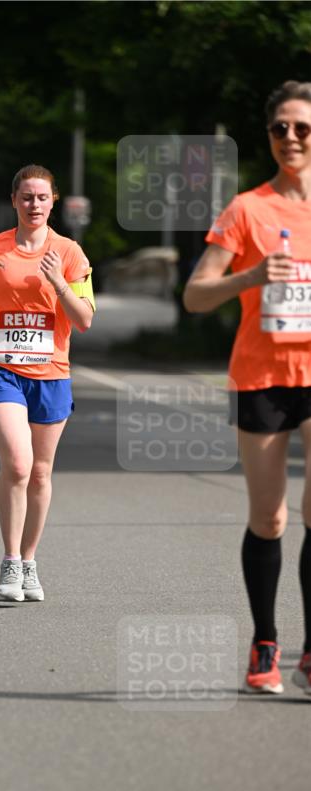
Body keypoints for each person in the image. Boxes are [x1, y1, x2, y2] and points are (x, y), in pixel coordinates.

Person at [183, 80, 311, 696]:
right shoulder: (248, 209)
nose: (290, 137)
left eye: (302, 128)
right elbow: (195, 294)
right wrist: (254, 274)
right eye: (280, 128)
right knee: (270, 517)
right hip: (262, 375)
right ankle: (265, 639)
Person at [0, 164, 95, 601]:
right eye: (26, 197)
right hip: (1, 369)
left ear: (53, 201)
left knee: (40, 473)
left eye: (41, 197)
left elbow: (85, 320)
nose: (33, 204)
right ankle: (10, 560)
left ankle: (30, 560)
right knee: (17, 465)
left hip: (52, 374)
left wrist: (58, 280)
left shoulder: (70, 252)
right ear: (14, 200)